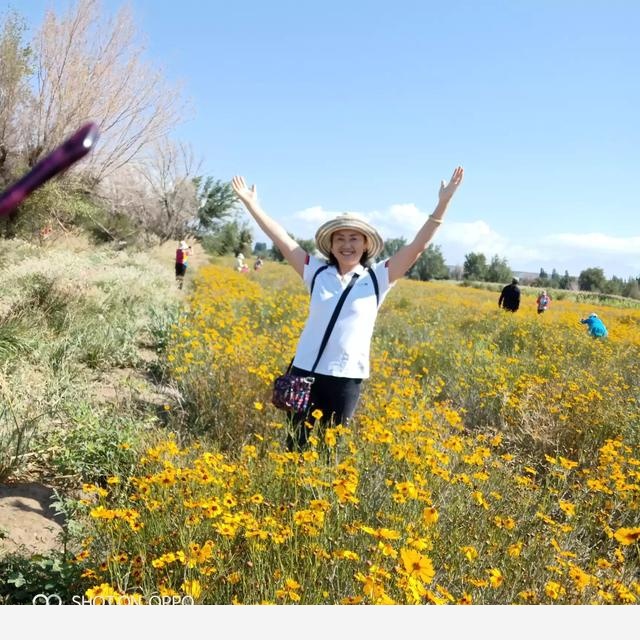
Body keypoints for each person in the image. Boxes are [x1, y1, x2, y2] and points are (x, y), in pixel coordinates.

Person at [231, 167, 464, 450]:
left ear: (366, 244)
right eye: (339, 239)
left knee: (332, 451)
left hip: (346, 378)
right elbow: (281, 238)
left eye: (354, 238)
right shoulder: (315, 273)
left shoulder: (378, 278)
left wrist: (443, 202)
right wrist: (252, 204)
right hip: (304, 373)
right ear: (330, 244)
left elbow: (418, 246)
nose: (346, 244)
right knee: (295, 447)